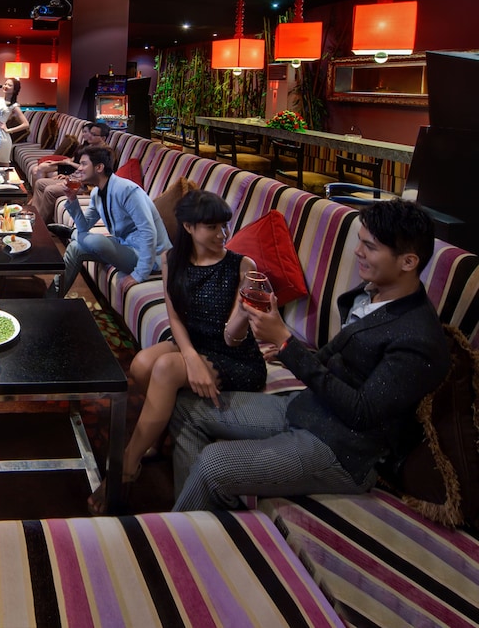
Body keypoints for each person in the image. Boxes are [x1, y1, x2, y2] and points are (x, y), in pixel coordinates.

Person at [169, 198, 451, 512]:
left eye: (369, 247)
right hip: (309, 407)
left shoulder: (418, 338)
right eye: (360, 242)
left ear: (408, 262)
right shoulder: (371, 293)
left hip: (343, 450)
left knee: (213, 464)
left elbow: (361, 413)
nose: (357, 252)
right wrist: (289, 350)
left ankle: (183, 526)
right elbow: (337, 349)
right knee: (186, 409)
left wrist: (286, 343)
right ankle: (203, 518)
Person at [88, 190, 266, 514]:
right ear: (188, 227)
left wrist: (242, 314)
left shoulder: (242, 266)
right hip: (193, 341)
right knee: (141, 364)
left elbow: (232, 339)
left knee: (166, 369)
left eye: (224, 226)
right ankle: (158, 436)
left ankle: (126, 466)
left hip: (233, 356)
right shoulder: (171, 260)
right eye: (211, 227)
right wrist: (191, 358)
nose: (222, 235)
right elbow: (175, 318)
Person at [48, 144, 171, 298]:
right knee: (75, 247)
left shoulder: (127, 190)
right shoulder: (97, 193)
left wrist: (140, 274)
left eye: (84, 164)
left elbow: (148, 232)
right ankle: (50, 298)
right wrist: (72, 199)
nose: (79, 168)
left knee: (98, 241)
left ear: (99, 167)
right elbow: (84, 227)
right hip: (124, 244)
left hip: (146, 255)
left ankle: (72, 233)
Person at [34, 121, 108, 225]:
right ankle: (35, 216)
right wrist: (68, 176)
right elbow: (80, 168)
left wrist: (71, 182)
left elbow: (95, 176)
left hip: (86, 186)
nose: (89, 136)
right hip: (75, 179)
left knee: (50, 190)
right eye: (90, 133)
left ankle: (40, 224)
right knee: (40, 183)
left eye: (94, 134)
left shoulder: (105, 153)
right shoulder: (90, 149)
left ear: (103, 138)